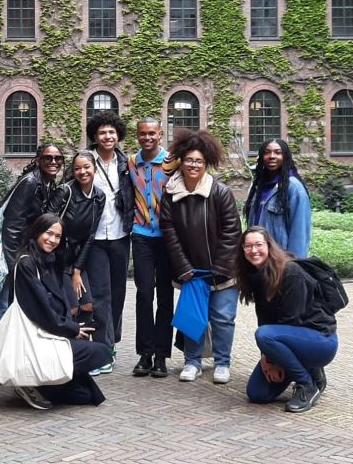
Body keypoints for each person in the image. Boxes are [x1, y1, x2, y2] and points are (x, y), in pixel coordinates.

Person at [159, 129, 241, 384]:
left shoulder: (221, 192)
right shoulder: (171, 194)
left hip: (222, 271)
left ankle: (222, 363)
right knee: (193, 317)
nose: (193, 165)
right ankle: (192, 362)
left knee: (223, 318)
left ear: (206, 164)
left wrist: (220, 267)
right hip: (192, 271)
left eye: (199, 161)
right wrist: (183, 267)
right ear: (181, 162)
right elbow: (168, 232)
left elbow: (232, 231)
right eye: (189, 160)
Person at [7, 213, 112, 410]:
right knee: (100, 351)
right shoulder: (26, 264)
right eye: (48, 233)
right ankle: (29, 380)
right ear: (37, 232)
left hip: (51, 331)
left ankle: (45, 383)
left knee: (85, 395)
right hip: (39, 337)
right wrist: (71, 329)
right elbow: (40, 311)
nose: (52, 240)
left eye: (58, 237)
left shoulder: (50, 261)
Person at [236, 226, 337, 413]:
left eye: (259, 244)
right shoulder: (256, 277)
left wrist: (275, 359)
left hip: (320, 342)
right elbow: (265, 321)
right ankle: (311, 370)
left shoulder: (291, 272)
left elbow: (292, 321)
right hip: (285, 339)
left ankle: (306, 384)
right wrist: (266, 357)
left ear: (269, 245)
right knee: (257, 394)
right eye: (248, 246)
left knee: (264, 334)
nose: (253, 250)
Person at [85, 110, 134, 374]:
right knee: (100, 294)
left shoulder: (126, 164)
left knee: (118, 293)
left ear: (118, 135)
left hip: (120, 234)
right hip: (94, 238)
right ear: (95, 135)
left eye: (111, 132)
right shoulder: (85, 160)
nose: (107, 136)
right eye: (102, 132)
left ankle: (111, 342)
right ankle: (101, 350)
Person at [0, 143, 64, 328]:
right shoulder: (30, 182)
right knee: (4, 304)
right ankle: (1, 353)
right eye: (47, 158)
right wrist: (13, 268)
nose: (53, 162)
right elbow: (12, 227)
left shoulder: (46, 184)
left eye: (58, 158)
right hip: (9, 255)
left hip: (21, 254)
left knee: (14, 304)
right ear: (38, 160)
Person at [128, 118, 178, 378]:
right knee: (144, 294)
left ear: (160, 134)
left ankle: (161, 356)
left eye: (152, 133)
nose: (147, 138)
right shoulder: (131, 162)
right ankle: (145, 354)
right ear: (137, 136)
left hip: (166, 236)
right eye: (142, 134)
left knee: (165, 296)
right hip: (141, 234)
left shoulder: (173, 162)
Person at [46, 151, 105, 327]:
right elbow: (46, 224)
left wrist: (77, 270)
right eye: (77, 168)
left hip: (77, 258)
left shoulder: (99, 197)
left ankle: (84, 349)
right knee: (71, 308)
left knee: (87, 306)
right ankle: (69, 348)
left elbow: (90, 236)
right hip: (58, 258)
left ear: (95, 169)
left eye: (87, 167)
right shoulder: (65, 191)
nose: (82, 172)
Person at [242, 139, 312, 258]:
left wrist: (294, 265)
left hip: (280, 261)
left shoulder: (294, 188)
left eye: (278, 152)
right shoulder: (258, 187)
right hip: (257, 258)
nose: (272, 156)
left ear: (285, 157)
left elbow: (300, 232)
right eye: (267, 152)